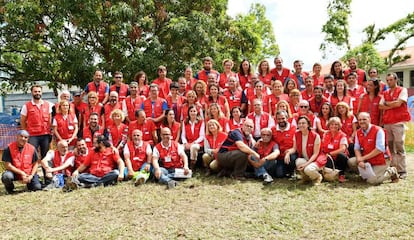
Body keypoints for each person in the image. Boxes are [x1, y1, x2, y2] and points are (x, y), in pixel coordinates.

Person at [349, 112, 399, 185]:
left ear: (369, 119)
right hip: (368, 158)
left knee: (372, 181)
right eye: (359, 120)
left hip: (382, 159)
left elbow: (379, 149)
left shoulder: (378, 130)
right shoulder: (358, 132)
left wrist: (362, 158)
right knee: (351, 162)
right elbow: (357, 148)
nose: (362, 121)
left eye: (364, 119)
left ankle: (391, 171)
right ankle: (368, 174)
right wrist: (360, 160)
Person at [379, 73, 411, 179]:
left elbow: (399, 104)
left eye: (391, 80)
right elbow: (380, 106)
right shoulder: (385, 92)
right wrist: (392, 103)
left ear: (396, 80)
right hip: (387, 122)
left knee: (399, 146)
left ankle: (402, 170)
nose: (389, 82)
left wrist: (387, 104)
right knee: (390, 147)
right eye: (387, 80)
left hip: (398, 122)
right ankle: (393, 169)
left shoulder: (403, 90)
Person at [285, 116, 325, 185]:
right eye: (299, 123)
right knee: (298, 161)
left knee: (308, 169)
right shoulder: (296, 134)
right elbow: (294, 149)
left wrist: (306, 164)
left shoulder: (315, 136)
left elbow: (315, 154)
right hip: (306, 158)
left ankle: (318, 177)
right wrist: (288, 153)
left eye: (303, 123)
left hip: (316, 159)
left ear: (308, 125)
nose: (301, 125)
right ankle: (306, 178)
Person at [20, 84, 53, 160]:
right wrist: (26, 133)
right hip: (32, 135)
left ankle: (46, 172)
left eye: (39, 91)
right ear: (32, 92)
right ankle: (32, 172)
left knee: (46, 157)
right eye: (35, 91)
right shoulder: (26, 106)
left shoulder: (48, 105)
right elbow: (22, 121)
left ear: (41, 93)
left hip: (45, 135)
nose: (37, 93)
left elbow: (49, 121)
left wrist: (50, 132)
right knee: (32, 156)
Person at [321, 117, 349, 182]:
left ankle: (341, 174)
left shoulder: (342, 135)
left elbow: (342, 149)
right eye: (332, 124)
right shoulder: (326, 134)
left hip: (338, 158)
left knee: (341, 155)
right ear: (329, 125)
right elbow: (322, 146)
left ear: (339, 126)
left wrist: (330, 154)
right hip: (328, 157)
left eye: (336, 124)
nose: (334, 126)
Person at [271, 110, 297, 178]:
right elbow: (267, 138)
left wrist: (288, 153)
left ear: (287, 118)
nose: (281, 120)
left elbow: (296, 146)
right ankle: (285, 170)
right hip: (279, 157)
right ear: (276, 119)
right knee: (279, 175)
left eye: (283, 118)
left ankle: (292, 171)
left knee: (293, 157)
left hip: (291, 154)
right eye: (279, 119)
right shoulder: (273, 129)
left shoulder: (293, 128)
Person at [181, 105, 205, 169]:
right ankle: (181, 164)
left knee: (193, 147)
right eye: (191, 111)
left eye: (194, 111)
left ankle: (192, 164)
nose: (192, 113)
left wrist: (194, 143)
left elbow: (202, 136)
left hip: (198, 143)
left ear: (197, 112)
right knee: (179, 147)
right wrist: (185, 143)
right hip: (188, 142)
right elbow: (183, 135)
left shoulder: (201, 122)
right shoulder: (185, 122)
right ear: (188, 112)